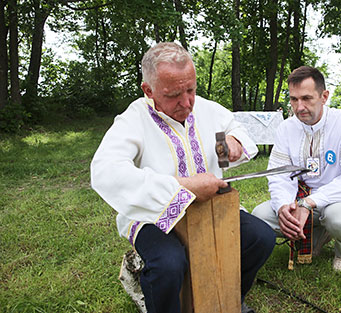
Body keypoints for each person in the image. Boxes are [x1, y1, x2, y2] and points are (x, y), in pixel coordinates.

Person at [91, 42, 275, 313]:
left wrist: (234, 141)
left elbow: (235, 127)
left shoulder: (206, 108)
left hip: (209, 205)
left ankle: (231, 299)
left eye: (191, 89)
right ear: (148, 90)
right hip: (155, 213)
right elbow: (105, 171)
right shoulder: (133, 120)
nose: (187, 102)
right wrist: (182, 187)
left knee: (260, 238)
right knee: (169, 263)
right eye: (174, 94)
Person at [252, 66, 341, 272]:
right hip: (303, 199)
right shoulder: (286, 128)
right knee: (259, 217)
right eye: (293, 99)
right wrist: (283, 206)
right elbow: (279, 175)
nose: (299, 107)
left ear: (324, 96)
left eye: (307, 98)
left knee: (338, 218)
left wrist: (308, 203)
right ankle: (317, 234)